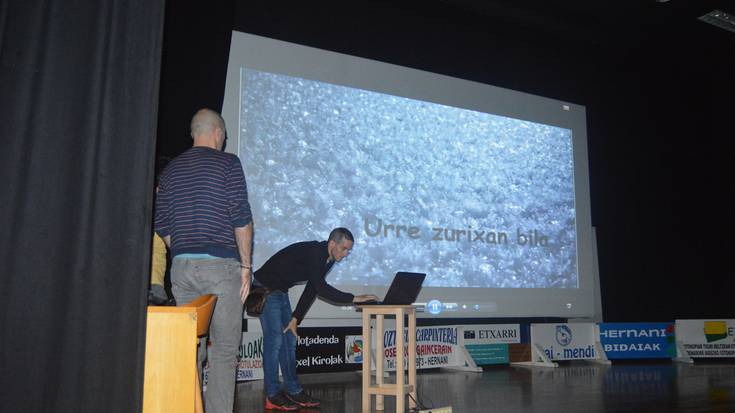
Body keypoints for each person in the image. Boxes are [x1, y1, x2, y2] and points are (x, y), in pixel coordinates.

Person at [154, 108, 253, 413]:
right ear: (218, 133)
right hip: (221, 267)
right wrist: (246, 267)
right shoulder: (228, 163)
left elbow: (161, 223)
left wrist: (183, 250)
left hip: (182, 269)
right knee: (223, 351)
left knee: (189, 349)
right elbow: (241, 217)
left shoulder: (170, 172)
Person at [253, 227, 378, 411]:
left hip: (280, 290)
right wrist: (353, 298)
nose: (345, 254)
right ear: (332, 244)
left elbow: (312, 288)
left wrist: (296, 317)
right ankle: (272, 395)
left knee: (288, 339)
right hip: (265, 288)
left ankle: (294, 391)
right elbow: (321, 288)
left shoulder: (328, 259)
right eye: (344, 249)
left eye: (348, 251)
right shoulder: (316, 253)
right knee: (275, 340)